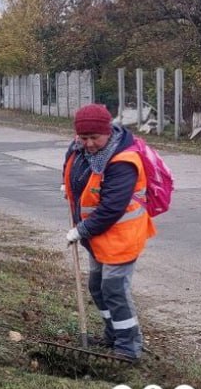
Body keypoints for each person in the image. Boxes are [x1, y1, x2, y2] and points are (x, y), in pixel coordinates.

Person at [61, 103, 155, 361]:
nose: (89, 143)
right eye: (84, 137)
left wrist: (80, 230)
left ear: (108, 132)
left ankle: (129, 346)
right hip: (98, 237)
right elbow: (72, 170)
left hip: (121, 236)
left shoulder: (123, 161)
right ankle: (112, 334)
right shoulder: (78, 148)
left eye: (94, 137)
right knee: (97, 286)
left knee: (113, 287)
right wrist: (66, 186)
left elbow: (112, 207)